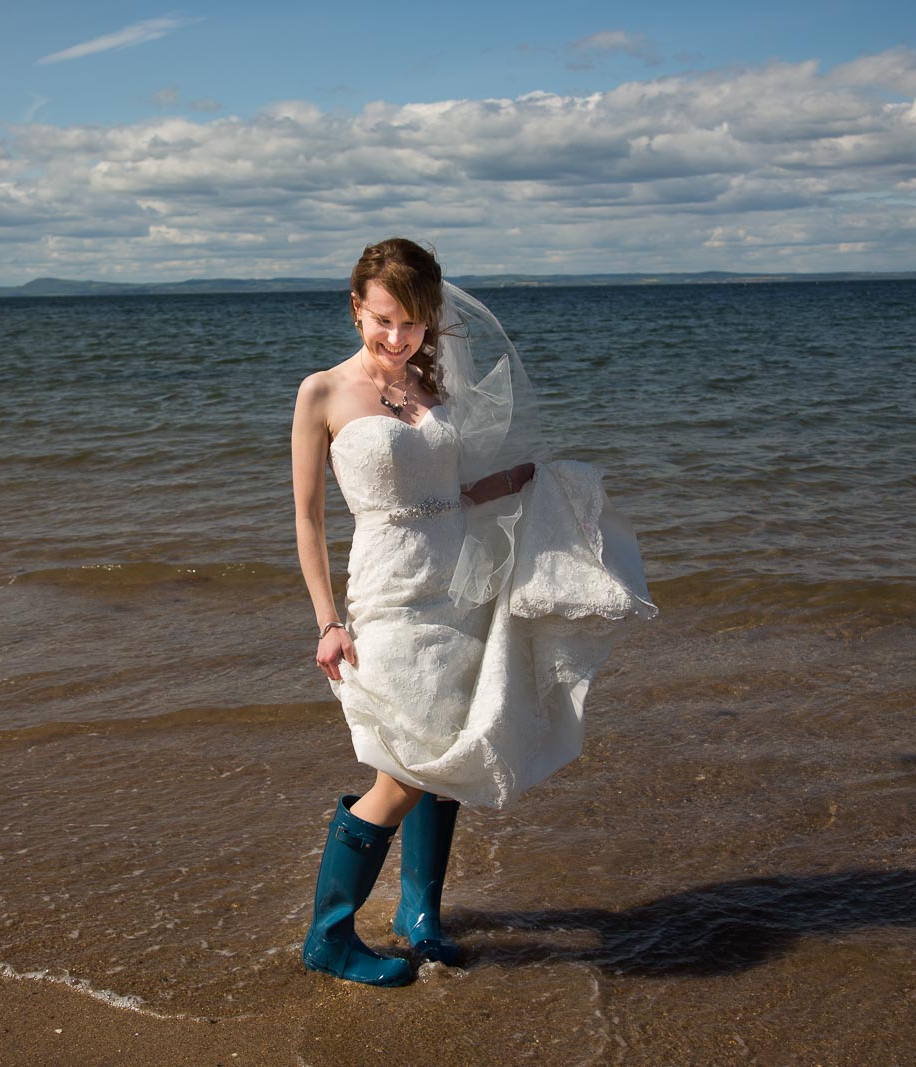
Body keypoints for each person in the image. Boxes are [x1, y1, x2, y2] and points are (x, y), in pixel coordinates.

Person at [290, 238, 655, 987]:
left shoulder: (433, 390)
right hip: (389, 593)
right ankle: (329, 936)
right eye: (384, 320)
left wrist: (514, 484)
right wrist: (328, 620)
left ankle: (420, 916)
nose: (398, 339)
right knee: (404, 764)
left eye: (415, 325)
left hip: (458, 586)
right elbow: (305, 518)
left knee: (447, 750)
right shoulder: (322, 393)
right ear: (357, 308)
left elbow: (449, 494)